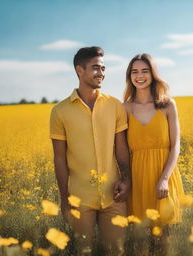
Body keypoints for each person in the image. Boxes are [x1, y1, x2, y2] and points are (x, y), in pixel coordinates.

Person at [50, 46, 131, 255]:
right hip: (79, 198)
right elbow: (59, 159)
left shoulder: (115, 106)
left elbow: (121, 148)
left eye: (103, 68)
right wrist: (64, 201)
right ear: (80, 70)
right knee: (83, 251)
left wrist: (126, 180)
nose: (101, 72)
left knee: (116, 251)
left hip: (114, 197)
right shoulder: (60, 111)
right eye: (96, 68)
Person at [123, 53, 184, 229]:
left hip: (163, 174)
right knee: (140, 236)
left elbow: (175, 146)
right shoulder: (125, 107)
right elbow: (121, 148)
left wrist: (164, 179)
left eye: (145, 71)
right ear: (129, 76)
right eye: (134, 72)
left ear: (153, 74)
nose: (139, 76)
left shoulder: (168, 105)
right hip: (137, 178)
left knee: (163, 236)